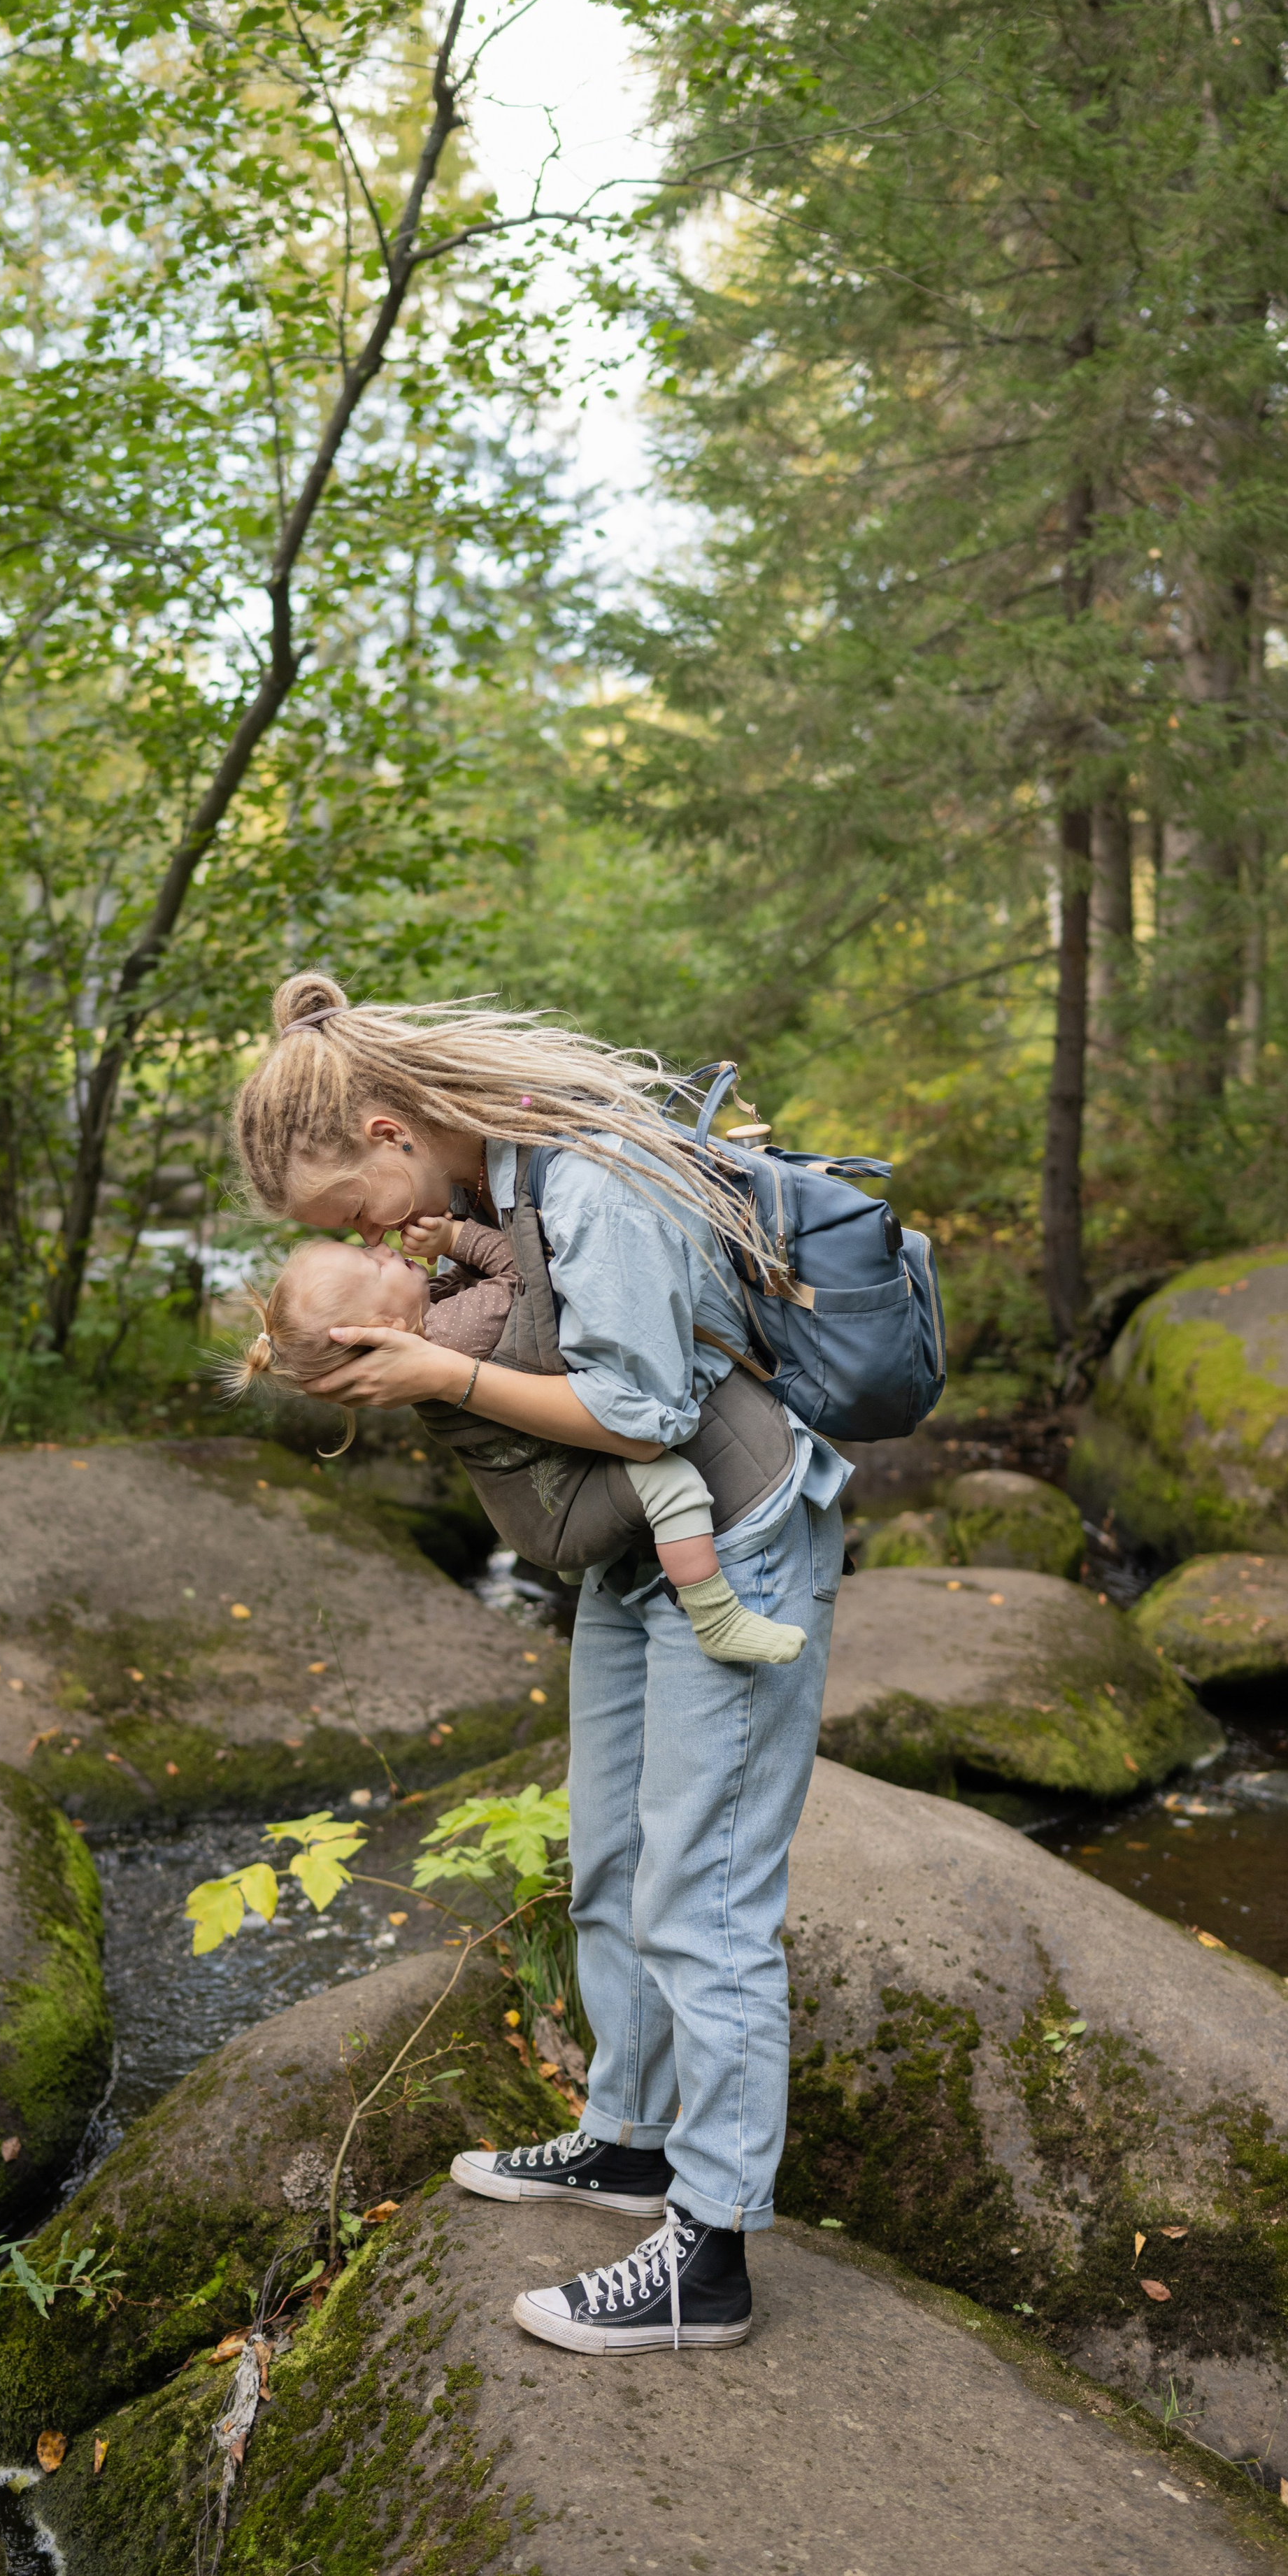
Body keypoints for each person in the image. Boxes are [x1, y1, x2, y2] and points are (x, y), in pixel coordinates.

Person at [231, 972, 850, 2356]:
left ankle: (710, 2253)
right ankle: (628, 2137)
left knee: (703, 1885)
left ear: (390, 1137)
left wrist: (436, 1377)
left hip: (725, 1528)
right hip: (631, 1549)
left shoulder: (585, 1178)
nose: (368, 1241)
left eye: (348, 1216)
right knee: (611, 1853)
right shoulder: (487, 1193)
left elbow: (641, 1411)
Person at [234, 1220, 806, 1666]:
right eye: (370, 1261)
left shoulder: (433, 1329)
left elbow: (462, 1288)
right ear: (386, 1326)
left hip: (537, 1513)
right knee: (674, 1483)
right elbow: (520, 1278)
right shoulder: (452, 1332)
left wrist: (441, 1256)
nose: (380, 1247)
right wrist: (459, 1235)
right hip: (558, 1515)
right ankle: (717, 1619)